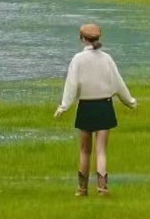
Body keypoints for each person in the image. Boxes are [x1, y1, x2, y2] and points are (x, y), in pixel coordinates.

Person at [54, 23, 137, 196]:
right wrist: (130, 102)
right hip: (104, 106)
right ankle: (102, 188)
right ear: (99, 38)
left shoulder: (78, 59)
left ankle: (81, 189)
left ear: (82, 38)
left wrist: (64, 106)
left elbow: (71, 85)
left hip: (85, 107)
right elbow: (118, 83)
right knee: (101, 151)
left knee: (85, 151)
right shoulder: (106, 58)